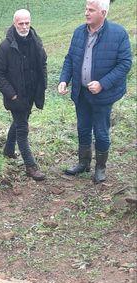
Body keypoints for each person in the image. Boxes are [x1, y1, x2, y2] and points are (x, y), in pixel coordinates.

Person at [58, 0, 132, 183]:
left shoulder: (118, 33)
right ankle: (83, 163)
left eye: (91, 10)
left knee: (101, 131)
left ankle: (100, 167)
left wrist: (102, 83)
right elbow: (70, 58)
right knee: (83, 128)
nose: (86, 13)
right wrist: (64, 80)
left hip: (103, 95)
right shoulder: (78, 32)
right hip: (81, 93)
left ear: (103, 13)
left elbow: (125, 64)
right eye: (86, 9)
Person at [0, 9, 47, 181]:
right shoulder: (5, 46)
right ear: (14, 23)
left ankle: (8, 150)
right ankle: (31, 166)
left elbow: (42, 63)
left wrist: (41, 87)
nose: (24, 27)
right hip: (16, 96)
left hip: (31, 94)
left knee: (19, 122)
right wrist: (11, 94)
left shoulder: (35, 41)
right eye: (20, 23)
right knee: (23, 129)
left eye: (27, 23)